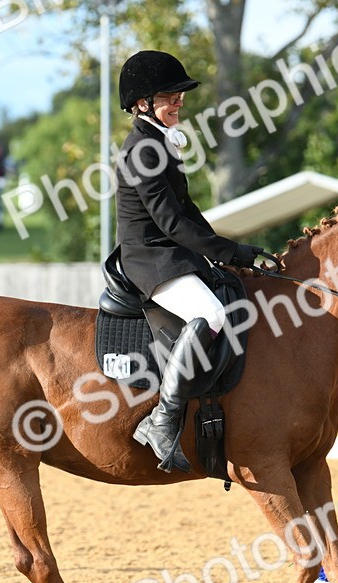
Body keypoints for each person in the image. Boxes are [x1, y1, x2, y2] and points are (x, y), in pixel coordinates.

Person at [113, 50, 265, 473]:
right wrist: (227, 252)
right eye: (169, 96)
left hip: (172, 254)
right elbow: (170, 221)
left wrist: (230, 249)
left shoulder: (158, 142)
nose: (179, 101)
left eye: (180, 94)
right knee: (211, 314)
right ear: (142, 103)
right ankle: (162, 419)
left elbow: (188, 209)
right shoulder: (141, 149)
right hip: (151, 258)